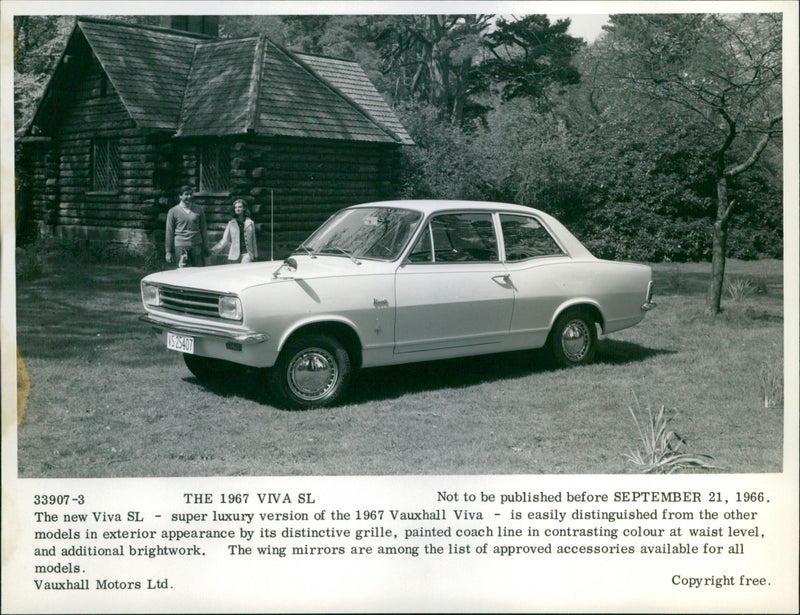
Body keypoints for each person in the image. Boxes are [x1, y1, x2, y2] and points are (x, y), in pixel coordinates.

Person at [165, 186, 209, 267]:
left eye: (191, 194)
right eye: (186, 194)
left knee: (199, 272)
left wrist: (206, 246)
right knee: (182, 273)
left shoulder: (199, 209)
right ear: (180, 196)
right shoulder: (173, 211)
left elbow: (203, 229)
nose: (189, 197)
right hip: (181, 246)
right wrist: (168, 251)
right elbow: (169, 231)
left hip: (196, 245)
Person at [212, 199, 258, 263]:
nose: (237, 209)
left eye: (240, 207)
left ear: (244, 208)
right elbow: (225, 240)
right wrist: (214, 250)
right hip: (234, 255)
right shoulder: (231, 223)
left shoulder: (250, 223)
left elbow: (253, 241)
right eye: (235, 207)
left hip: (247, 254)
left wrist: (255, 256)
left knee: (244, 271)